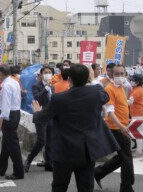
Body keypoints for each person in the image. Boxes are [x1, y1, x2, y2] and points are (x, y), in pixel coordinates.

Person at [31, 64, 120, 192]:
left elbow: (41, 118)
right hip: (86, 150)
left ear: (69, 79)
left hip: (64, 150)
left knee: (59, 186)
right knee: (86, 187)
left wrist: (37, 111)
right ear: (88, 78)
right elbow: (105, 95)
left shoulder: (59, 98)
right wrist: (92, 79)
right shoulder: (95, 93)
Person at [94, 64, 135, 192]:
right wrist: (122, 127)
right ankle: (126, 187)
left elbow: (120, 105)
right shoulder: (110, 89)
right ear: (111, 74)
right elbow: (110, 112)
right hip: (116, 128)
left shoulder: (121, 88)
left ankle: (98, 172)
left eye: (122, 74)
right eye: (117, 73)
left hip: (121, 126)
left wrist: (128, 103)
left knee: (122, 157)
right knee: (127, 158)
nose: (120, 76)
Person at [0, 64, 24, 180]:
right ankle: (2, 168)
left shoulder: (6, 85)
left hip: (9, 115)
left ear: (1, 73)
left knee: (13, 145)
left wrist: (0, 121)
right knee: (6, 143)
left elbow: (6, 105)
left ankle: (19, 171)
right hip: (15, 113)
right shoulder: (14, 82)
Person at [24, 66, 55, 172]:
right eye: (46, 72)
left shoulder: (53, 87)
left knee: (50, 141)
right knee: (42, 140)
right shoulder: (36, 85)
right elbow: (38, 98)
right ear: (41, 74)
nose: (48, 74)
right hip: (40, 116)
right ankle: (28, 160)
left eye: (50, 72)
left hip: (51, 117)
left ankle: (49, 163)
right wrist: (46, 88)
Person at [128, 74, 143, 156]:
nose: (131, 81)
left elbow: (130, 102)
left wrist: (120, 100)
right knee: (141, 131)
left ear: (137, 82)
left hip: (136, 113)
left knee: (137, 132)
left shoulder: (136, 91)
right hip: (139, 112)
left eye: (132, 80)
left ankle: (139, 151)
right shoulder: (139, 89)